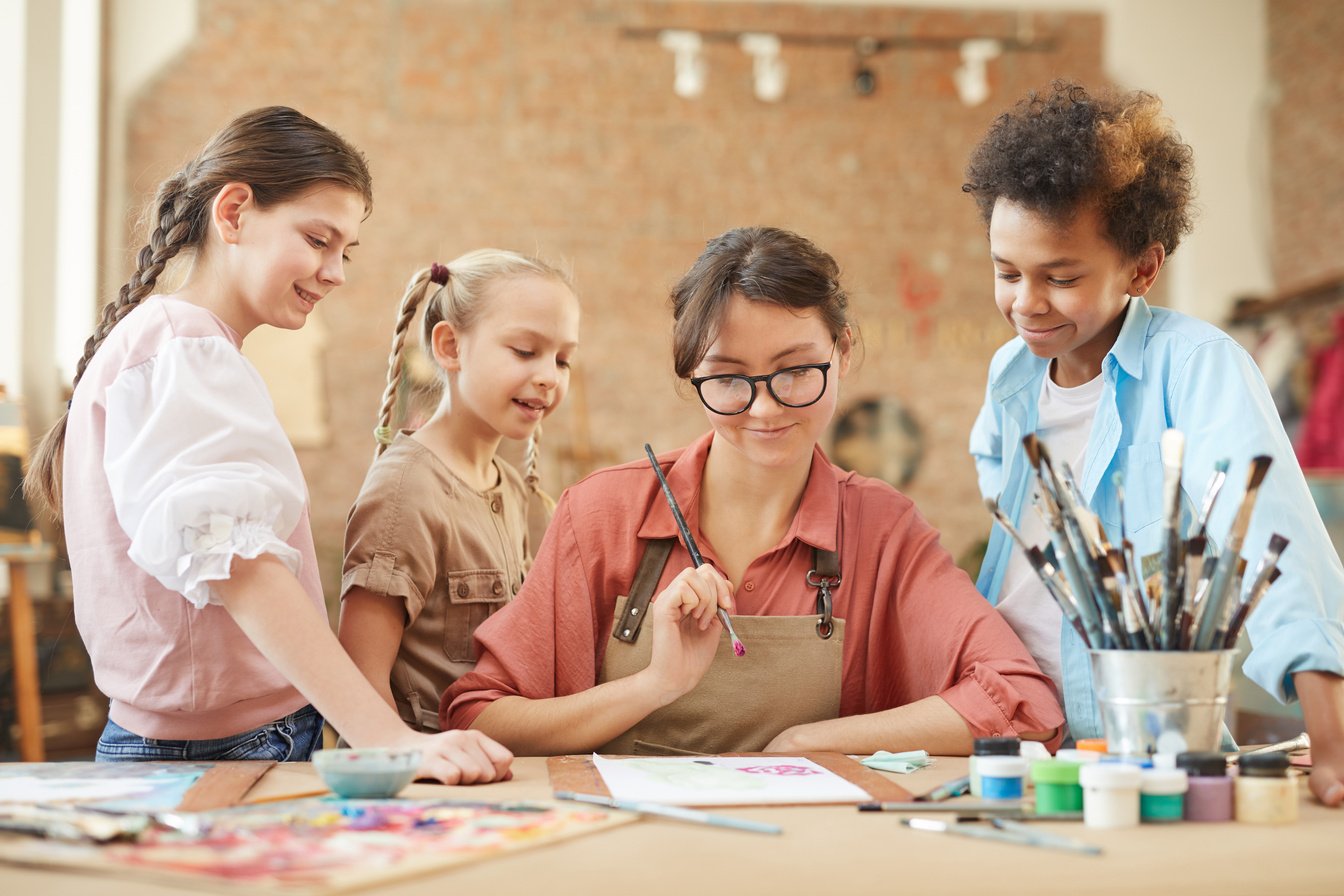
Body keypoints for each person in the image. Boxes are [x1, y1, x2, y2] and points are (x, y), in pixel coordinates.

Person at [23, 106, 511, 784]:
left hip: (209, 738)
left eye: (345, 250)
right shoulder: (182, 347)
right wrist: (384, 735)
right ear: (234, 213)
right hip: (225, 748)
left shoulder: (173, 345)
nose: (335, 271)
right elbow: (240, 566)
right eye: (318, 239)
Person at [442, 226, 1063, 756]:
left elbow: (1025, 705)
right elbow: (478, 715)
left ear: (842, 353)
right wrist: (653, 684)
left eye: (795, 371)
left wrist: (809, 743)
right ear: (692, 374)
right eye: (730, 379)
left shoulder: (882, 529)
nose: (764, 409)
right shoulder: (603, 514)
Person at [964, 81, 1344, 806]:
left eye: (1061, 277)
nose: (1025, 302)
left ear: (1142, 269)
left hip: (1140, 751)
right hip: (1016, 736)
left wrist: (1331, 743)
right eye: (1006, 272)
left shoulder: (1197, 368)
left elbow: (1275, 543)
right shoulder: (1010, 376)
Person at [338, 251, 579, 732]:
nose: (550, 376)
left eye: (563, 359)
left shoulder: (510, 488)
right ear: (450, 347)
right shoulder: (405, 490)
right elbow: (358, 678)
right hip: (431, 786)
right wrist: (412, 764)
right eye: (525, 351)